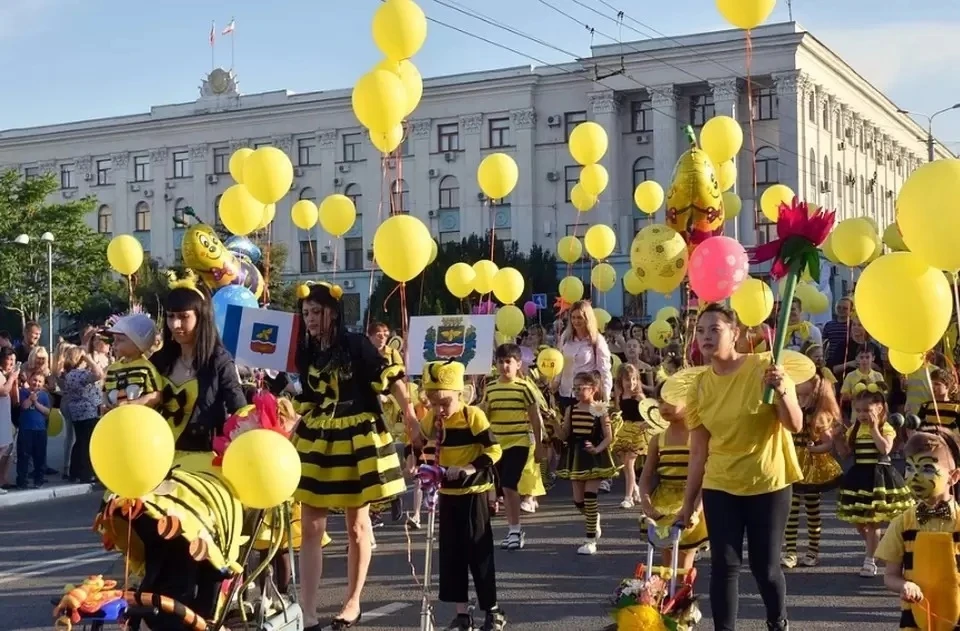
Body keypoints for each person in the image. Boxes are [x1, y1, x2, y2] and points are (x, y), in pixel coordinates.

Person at [292, 281, 417, 631]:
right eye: (306, 313)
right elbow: (309, 398)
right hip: (319, 435)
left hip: (358, 435)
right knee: (311, 525)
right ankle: (308, 609)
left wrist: (409, 415)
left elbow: (389, 379)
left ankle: (353, 601)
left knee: (357, 526)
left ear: (333, 312)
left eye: (316, 312)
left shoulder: (356, 343)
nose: (311, 319)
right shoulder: (307, 351)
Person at [677, 303, 803, 631]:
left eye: (714, 329)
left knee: (766, 568)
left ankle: (777, 621)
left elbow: (795, 424)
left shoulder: (766, 367)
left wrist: (783, 392)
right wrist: (689, 504)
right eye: (700, 330)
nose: (705, 336)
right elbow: (698, 452)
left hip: (768, 484)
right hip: (721, 485)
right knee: (724, 565)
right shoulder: (698, 387)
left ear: (735, 334)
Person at [420, 359, 506, 631]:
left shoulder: (473, 416)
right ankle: (462, 614)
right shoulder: (431, 420)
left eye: (445, 403)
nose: (439, 409)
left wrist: (468, 468)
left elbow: (494, 451)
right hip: (447, 494)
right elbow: (424, 449)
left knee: (478, 553)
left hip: (473, 493)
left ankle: (492, 611)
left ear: (460, 394)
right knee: (451, 555)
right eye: (434, 403)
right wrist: (424, 470)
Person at [149, 273, 246, 469]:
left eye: (184, 317)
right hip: (157, 458)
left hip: (203, 460)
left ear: (201, 318)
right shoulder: (159, 360)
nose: (175, 325)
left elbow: (238, 408)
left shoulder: (219, 361)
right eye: (170, 317)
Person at [875, 430, 960, 628]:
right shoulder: (903, 523)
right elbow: (890, 575)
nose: (915, 476)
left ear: (953, 477)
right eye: (910, 468)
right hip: (916, 615)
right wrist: (904, 585)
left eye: (928, 469)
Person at [833, 381, 912, 577]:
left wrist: (875, 427)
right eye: (858, 410)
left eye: (866, 410)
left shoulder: (886, 428)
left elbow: (885, 449)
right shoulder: (855, 429)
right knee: (860, 523)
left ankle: (869, 560)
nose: (862, 415)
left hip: (880, 477)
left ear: (879, 408)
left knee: (873, 522)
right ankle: (877, 547)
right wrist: (837, 438)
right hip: (860, 477)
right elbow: (845, 454)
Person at [479, 343, 543, 551]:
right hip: (497, 446)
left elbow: (535, 418)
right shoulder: (490, 388)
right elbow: (485, 418)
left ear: (518, 364)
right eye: (500, 362)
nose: (504, 366)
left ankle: (515, 530)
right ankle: (512, 529)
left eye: (509, 362)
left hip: (519, 443)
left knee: (509, 485)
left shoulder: (525, 388)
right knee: (501, 489)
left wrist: (540, 445)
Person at [638, 397, 707, 572]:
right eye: (660, 402)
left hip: (690, 501)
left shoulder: (698, 437)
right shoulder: (657, 439)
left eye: (670, 401)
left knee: (684, 559)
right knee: (666, 562)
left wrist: (696, 510)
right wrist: (646, 502)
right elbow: (646, 476)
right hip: (662, 501)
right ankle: (665, 595)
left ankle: (684, 597)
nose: (664, 407)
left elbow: (707, 478)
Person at [782, 370, 842, 569]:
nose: (802, 399)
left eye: (806, 395)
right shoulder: (792, 409)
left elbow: (829, 443)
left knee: (812, 510)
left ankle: (813, 550)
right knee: (791, 510)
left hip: (811, 467)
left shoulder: (819, 415)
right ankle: (790, 551)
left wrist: (814, 448)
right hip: (792, 464)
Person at [556, 370, 619, 555]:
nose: (576, 391)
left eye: (580, 388)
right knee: (579, 502)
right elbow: (564, 434)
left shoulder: (599, 409)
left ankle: (590, 540)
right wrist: (552, 423)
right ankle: (594, 518)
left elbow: (609, 437)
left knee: (590, 498)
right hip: (576, 456)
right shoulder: (571, 409)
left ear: (593, 389)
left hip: (594, 457)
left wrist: (598, 449)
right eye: (574, 388)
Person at [60, 346, 105, 483]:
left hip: (77, 412)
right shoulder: (80, 374)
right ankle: (86, 473)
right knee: (87, 443)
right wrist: (90, 360)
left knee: (79, 442)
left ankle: (74, 472)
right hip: (88, 411)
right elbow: (99, 374)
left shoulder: (69, 374)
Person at [102, 313, 162, 410]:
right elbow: (105, 391)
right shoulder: (112, 369)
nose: (114, 344)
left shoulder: (146, 368)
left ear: (138, 345)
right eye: (114, 339)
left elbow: (156, 395)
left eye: (120, 340)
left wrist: (135, 404)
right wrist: (104, 404)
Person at [612, 363, 649, 508]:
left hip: (637, 433)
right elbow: (619, 412)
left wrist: (644, 424)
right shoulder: (620, 395)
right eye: (627, 380)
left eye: (634, 379)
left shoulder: (638, 396)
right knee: (626, 466)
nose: (631, 383)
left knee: (629, 463)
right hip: (624, 431)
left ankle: (628, 497)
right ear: (621, 381)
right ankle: (636, 490)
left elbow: (650, 414)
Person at [14, 371, 51, 489]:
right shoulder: (23, 392)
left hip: (40, 430)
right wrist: (31, 398)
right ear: (29, 380)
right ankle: (22, 481)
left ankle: (38, 480)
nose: (36, 383)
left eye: (40, 381)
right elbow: (24, 406)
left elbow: (47, 411)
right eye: (34, 380)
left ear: (43, 384)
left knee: (39, 456)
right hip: (26, 429)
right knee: (23, 456)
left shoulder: (44, 395)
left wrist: (35, 402)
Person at [913, 368, 960, 435]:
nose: (932, 387)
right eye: (931, 384)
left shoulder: (956, 407)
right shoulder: (926, 406)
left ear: (946, 386)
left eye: (937, 384)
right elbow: (919, 430)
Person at [0, 348, 19, 492]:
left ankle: (2, 479)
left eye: (13, 359)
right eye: (9, 359)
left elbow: (14, 399)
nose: (11, 362)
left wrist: (14, 381)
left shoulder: (6, 375)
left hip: (5, 415)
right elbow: (3, 391)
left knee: (6, 447)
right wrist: (12, 377)